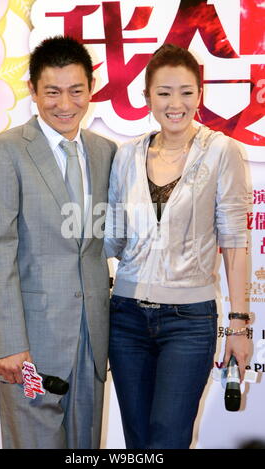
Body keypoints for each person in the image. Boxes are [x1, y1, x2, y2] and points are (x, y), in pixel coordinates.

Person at [0, 35, 117, 449]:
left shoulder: (105, 151)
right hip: (31, 343)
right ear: (33, 91)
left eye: (76, 90)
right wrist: (10, 343)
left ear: (91, 88)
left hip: (91, 340)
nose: (65, 104)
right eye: (52, 92)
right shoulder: (4, 151)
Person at [104, 43, 249, 449]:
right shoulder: (126, 156)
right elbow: (112, 238)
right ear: (146, 96)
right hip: (127, 318)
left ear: (200, 95)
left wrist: (238, 322)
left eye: (186, 92)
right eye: (164, 92)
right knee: (138, 442)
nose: (175, 104)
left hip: (189, 322)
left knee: (168, 438)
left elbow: (235, 242)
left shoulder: (221, 152)